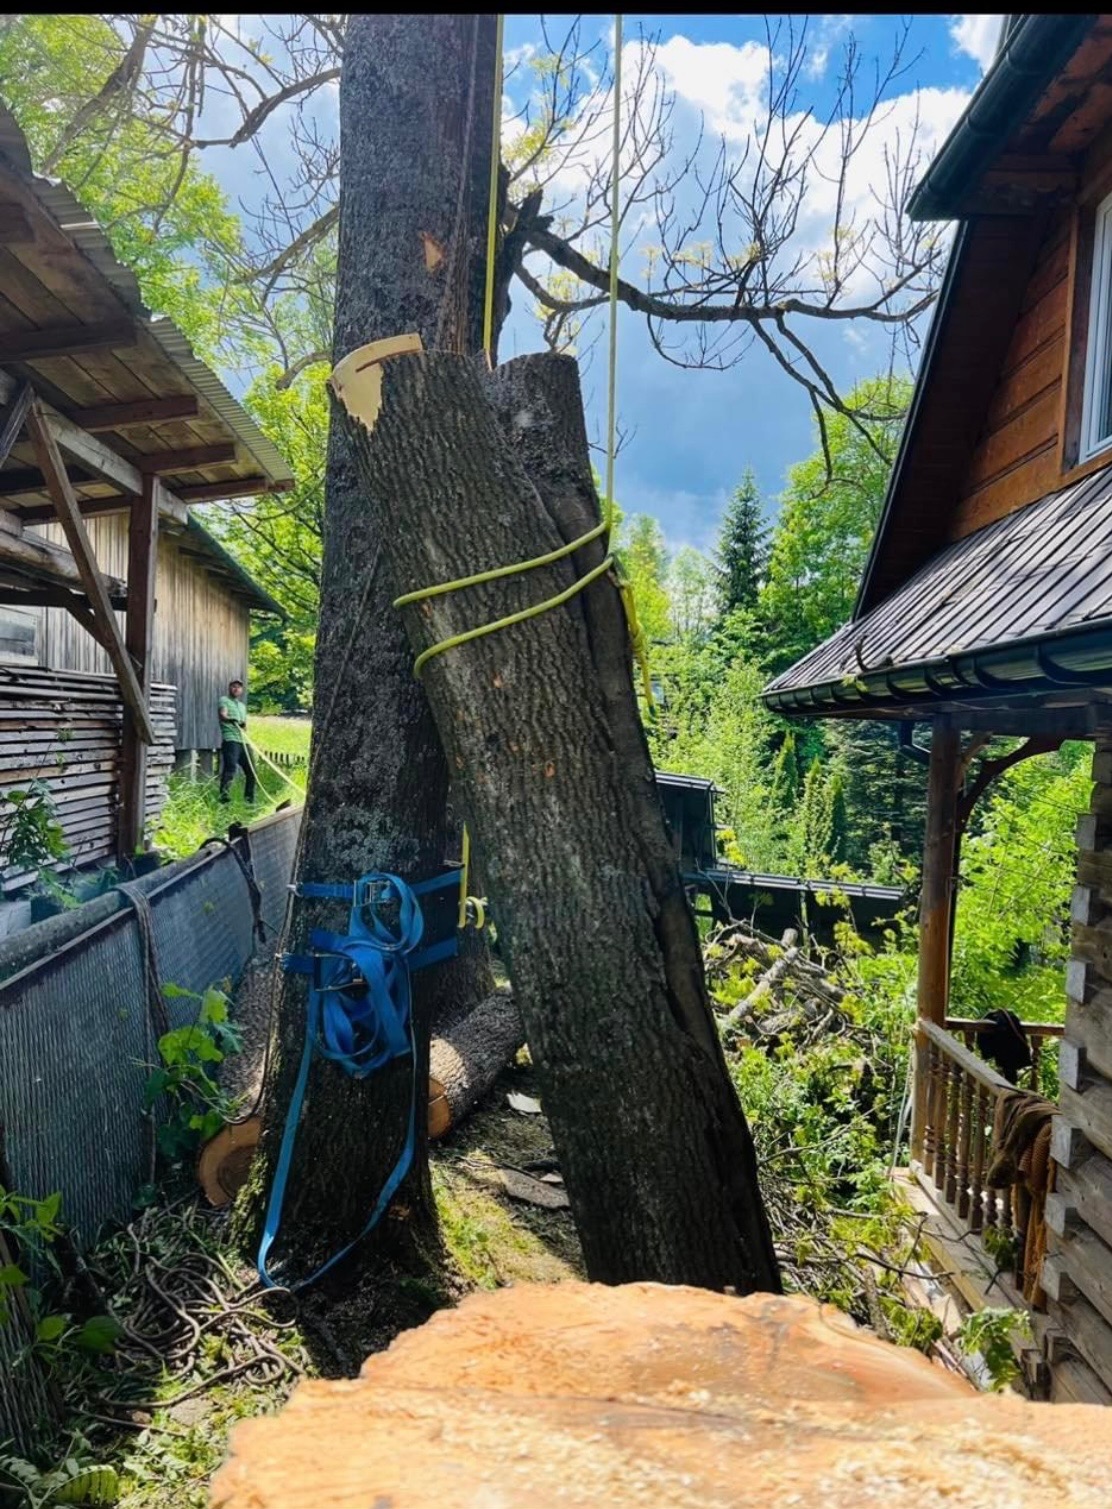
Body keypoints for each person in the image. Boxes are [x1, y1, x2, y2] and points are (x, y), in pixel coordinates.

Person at [218, 678, 257, 804]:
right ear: (230, 688)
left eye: (238, 687)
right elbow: (223, 715)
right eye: (233, 686)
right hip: (230, 740)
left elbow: (244, 726)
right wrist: (232, 720)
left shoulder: (242, 706)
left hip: (243, 742)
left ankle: (249, 800)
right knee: (230, 769)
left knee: (252, 772)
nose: (236, 689)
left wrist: (243, 726)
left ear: (241, 690)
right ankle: (224, 798)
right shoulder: (224, 700)